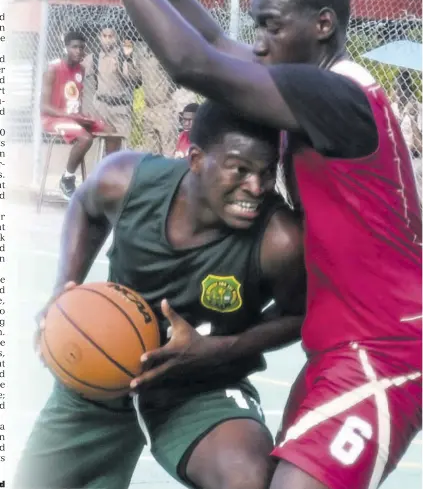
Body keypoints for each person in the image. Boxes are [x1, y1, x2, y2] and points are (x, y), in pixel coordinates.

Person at [87, 0, 422, 489]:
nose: (258, 41)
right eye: (256, 26)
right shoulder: (314, 88)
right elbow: (212, 42)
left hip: (386, 350)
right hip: (338, 349)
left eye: (270, 26)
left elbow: (194, 65)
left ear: (322, 26)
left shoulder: (338, 95)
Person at [14, 101, 306, 489]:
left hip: (202, 383)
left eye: (267, 173)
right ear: (197, 159)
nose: (256, 187)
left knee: (246, 478)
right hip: (104, 367)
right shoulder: (127, 181)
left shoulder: (279, 239)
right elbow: (85, 206)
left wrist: (219, 348)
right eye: (240, 170)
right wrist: (63, 289)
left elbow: (298, 314)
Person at [40, 30, 107, 199]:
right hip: (52, 119)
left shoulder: (81, 70)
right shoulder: (52, 69)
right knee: (86, 138)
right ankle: (67, 179)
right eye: (74, 47)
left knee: (110, 130)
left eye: (82, 48)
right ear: (66, 48)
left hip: (72, 118)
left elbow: (74, 101)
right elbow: (44, 107)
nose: (79, 51)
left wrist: (81, 116)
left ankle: (107, 179)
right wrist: (71, 117)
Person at [91, 26, 138, 153]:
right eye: (104, 36)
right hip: (101, 107)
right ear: (99, 37)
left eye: (110, 36)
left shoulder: (122, 56)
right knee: (103, 144)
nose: (107, 40)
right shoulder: (95, 56)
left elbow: (134, 79)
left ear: (116, 38)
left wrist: (126, 61)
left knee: (122, 146)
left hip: (120, 108)